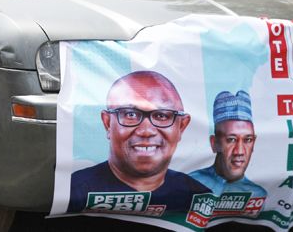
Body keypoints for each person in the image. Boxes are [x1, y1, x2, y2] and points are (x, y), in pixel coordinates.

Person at [67, 71, 204, 215]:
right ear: (107, 123)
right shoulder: (73, 191)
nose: (146, 131)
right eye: (130, 114)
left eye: (161, 115)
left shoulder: (197, 197)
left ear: (181, 126)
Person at [190, 91, 267, 200]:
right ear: (214, 144)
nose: (239, 151)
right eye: (231, 140)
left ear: (253, 143)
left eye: (247, 139)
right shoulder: (190, 184)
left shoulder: (258, 195)